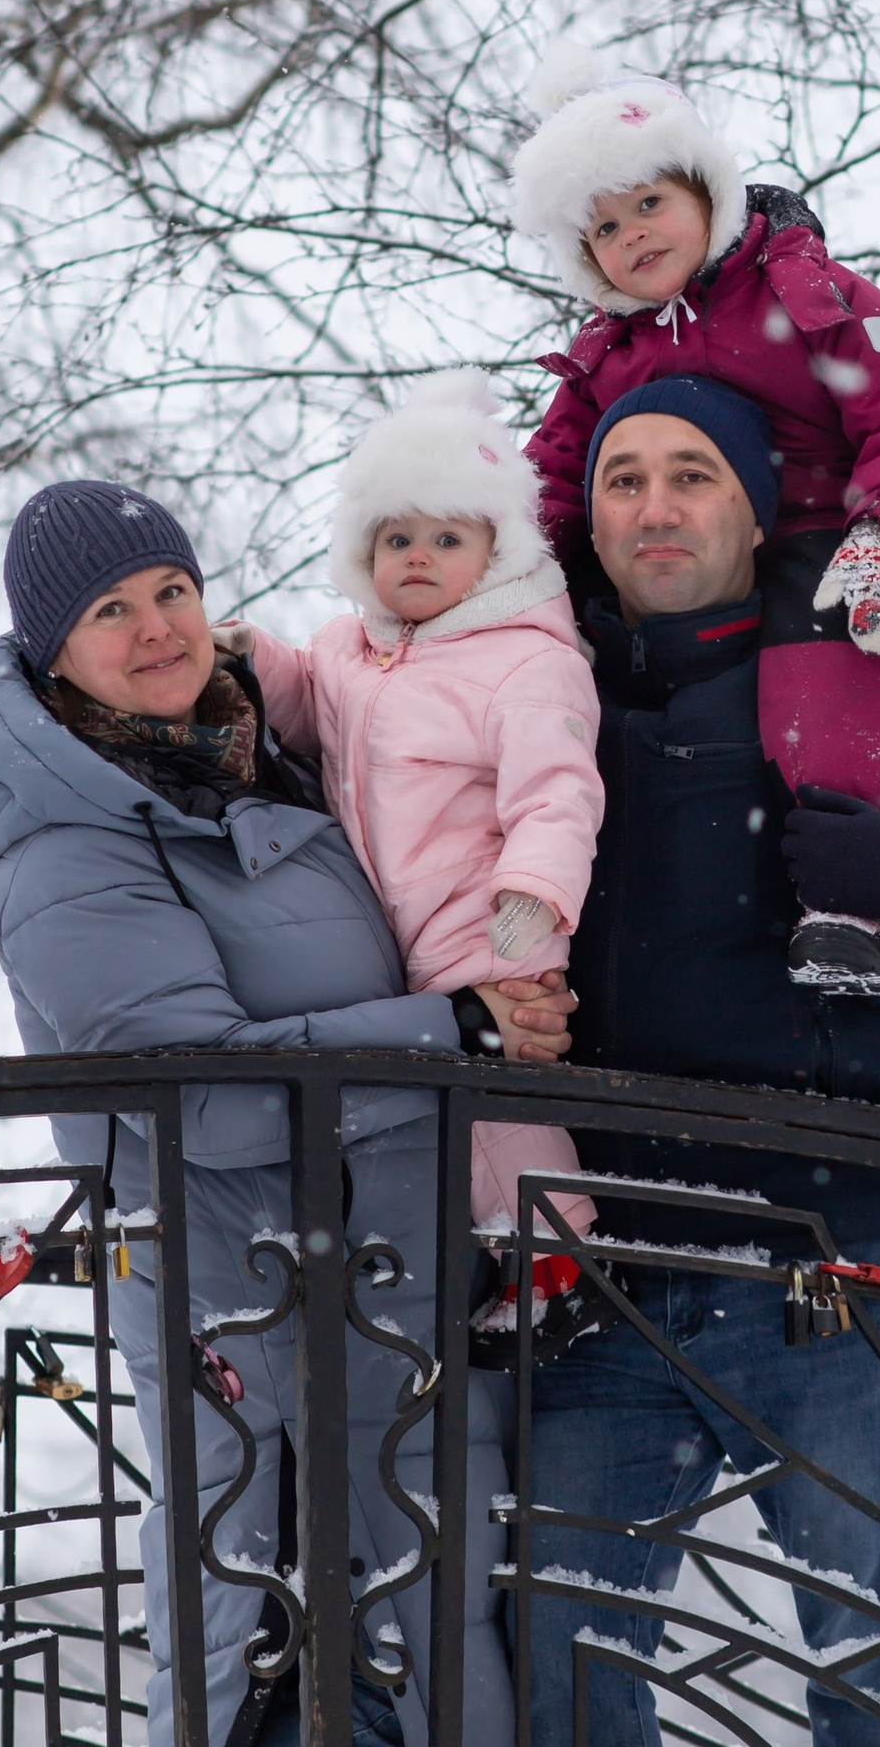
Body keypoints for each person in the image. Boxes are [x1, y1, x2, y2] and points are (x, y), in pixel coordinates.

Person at [0, 479, 574, 1747]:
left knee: (413, 1719)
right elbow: (205, 1097)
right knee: (259, 1728)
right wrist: (454, 1029)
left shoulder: (254, 763)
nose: (158, 627)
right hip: (259, 1339)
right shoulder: (67, 847)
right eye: (110, 611)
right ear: (54, 657)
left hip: (384, 1306)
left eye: (170, 588)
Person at [515, 379, 880, 1747]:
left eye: (691, 475)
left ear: (758, 508)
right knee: (562, 1652)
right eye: (623, 477)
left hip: (830, 1249)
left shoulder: (856, 669)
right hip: (601, 1267)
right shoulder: (528, 681)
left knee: (871, 1658)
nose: (652, 507)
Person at [508, 46, 880, 999]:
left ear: (710, 194)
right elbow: (553, 476)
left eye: (649, 204)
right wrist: (520, 567)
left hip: (824, 546)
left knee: (844, 650)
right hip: (677, 586)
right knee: (560, 634)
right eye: (602, 227)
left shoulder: (805, 296)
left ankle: (848, 899)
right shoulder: (612, 354)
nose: (632, 236)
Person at [224, 370, 605, 1350]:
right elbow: (306, 705)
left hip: (488, 921)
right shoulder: (349, 651)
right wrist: (254, 660)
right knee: (439, 1107)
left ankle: (562, 1254)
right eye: (397, 538)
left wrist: (536, 898)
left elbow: (557, 793)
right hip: (388, 932)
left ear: (495, 550)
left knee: (489, 1105)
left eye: (447, 537)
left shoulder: (524, 660)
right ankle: (507, 1251)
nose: (419, 558)